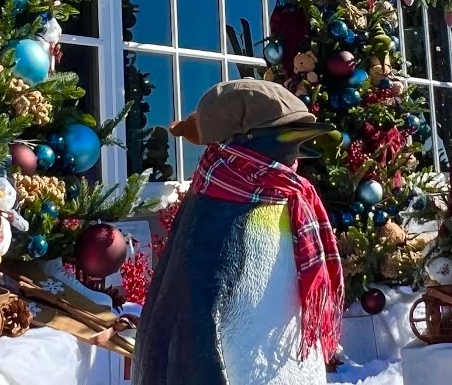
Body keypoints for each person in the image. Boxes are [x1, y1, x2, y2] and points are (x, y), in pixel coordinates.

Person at [131, 80, 344, 385]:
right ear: (239, 139)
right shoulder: (214, 215)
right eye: (282, 132)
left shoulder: (286, 197)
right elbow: (191, 328)